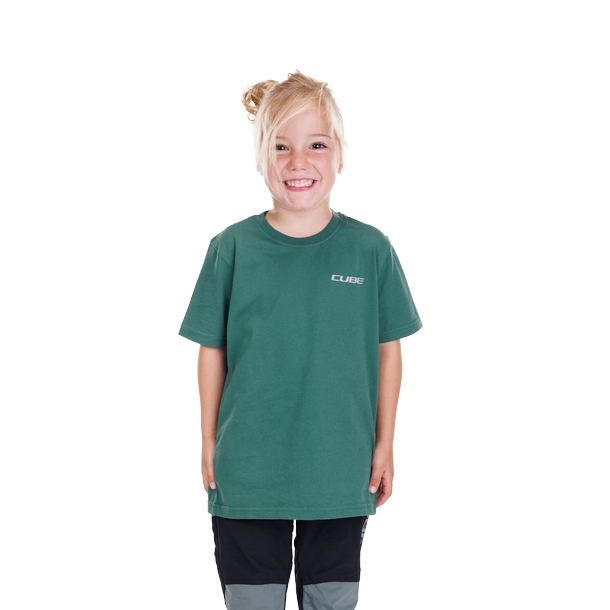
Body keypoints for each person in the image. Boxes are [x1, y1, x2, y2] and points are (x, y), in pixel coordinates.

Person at [179, 71, 422, 610]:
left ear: (340, 155)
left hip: (340, 470)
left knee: (332, 601)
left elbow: (388, 350)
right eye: (281, 146)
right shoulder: (232, 247)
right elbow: (212, 350)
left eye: (316, 145)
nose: (298, 162)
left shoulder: (370, 249)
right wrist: (208, 441)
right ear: (260, 157)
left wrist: (385, 443)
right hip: (248, 471)